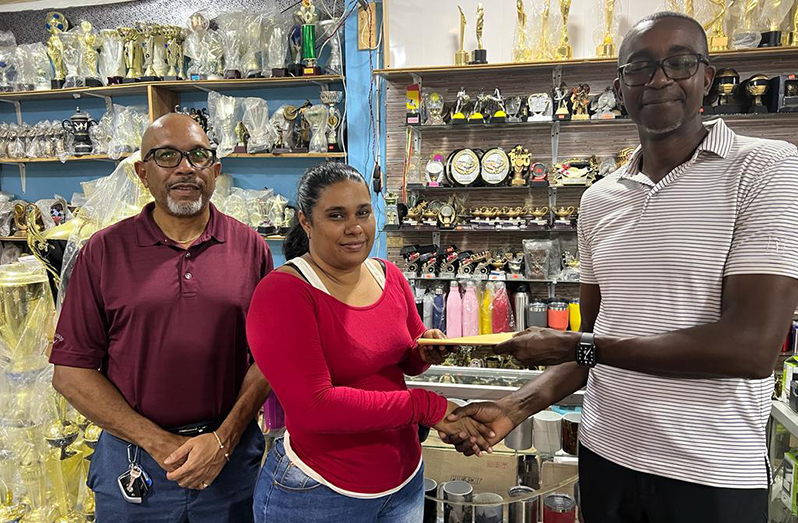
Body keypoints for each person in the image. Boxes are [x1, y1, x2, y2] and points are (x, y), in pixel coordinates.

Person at [442, 12, 798, 523]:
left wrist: (579, 344)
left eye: (678, 63)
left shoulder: (767, 168)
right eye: (640, 68)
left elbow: (751, 348)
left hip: (709, 470)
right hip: (606, 453)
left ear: (708, 77)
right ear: (619, 87)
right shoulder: (599, 199)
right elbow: (596, 341)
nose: (658, 80)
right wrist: (515, 407)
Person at [50, 113, 273, 522]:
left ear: (216, 171)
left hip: (228, 463)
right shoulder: (103, 252)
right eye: (167, 155)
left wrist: (223, 440)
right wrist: (158, 443)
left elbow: (268, 358)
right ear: (143, 172)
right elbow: (70, 373)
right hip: (134, 464)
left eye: (198, 156)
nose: (185, 167)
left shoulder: (250, 248)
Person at [246, 163, 493, 523]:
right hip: (319, 491)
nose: (355, 227)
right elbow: (315, 407)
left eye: (363, 212)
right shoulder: (284, 293)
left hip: (403, 481)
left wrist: (423, 349)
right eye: (336, 215)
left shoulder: (387, 274)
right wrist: (425, 406)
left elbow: (404, 360)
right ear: (306, 222)